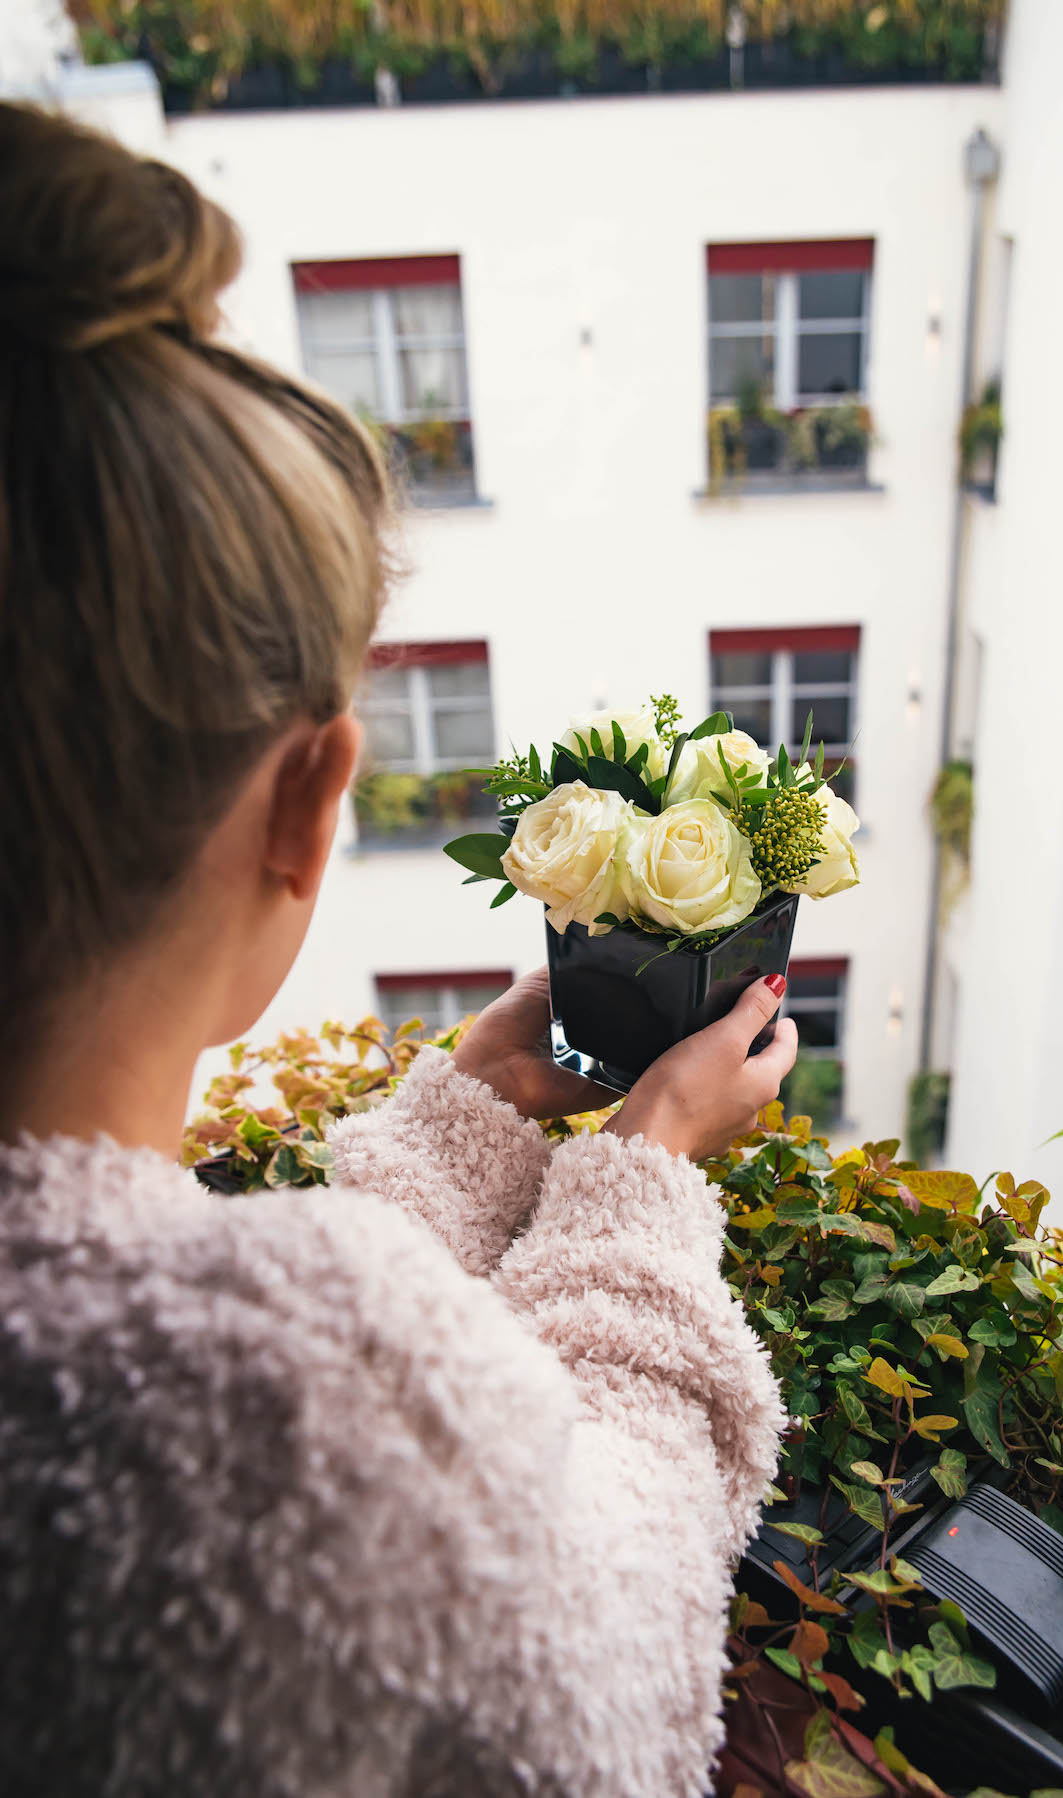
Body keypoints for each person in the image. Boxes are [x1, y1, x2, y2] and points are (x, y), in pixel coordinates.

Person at [0, 101, 797, 1797]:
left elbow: (175, 1325)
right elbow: (619, 1657)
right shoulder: (269, 1408)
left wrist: (466, 1125)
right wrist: (643, 1169)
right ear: (312, 797)